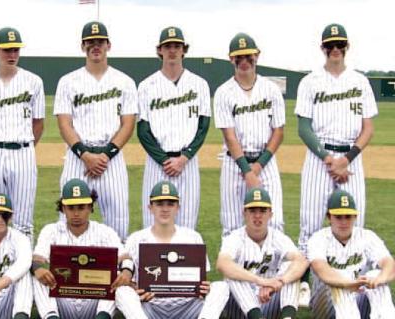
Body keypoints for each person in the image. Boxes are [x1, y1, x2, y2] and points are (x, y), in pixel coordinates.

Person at [295, 23, 377, 305]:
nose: (335, 50)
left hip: (351, 158)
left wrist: (347, 158)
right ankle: (302, 286)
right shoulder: (310, 81)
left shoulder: (360, 81)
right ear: (323, 49)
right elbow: (304, 128)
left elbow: (368, 128)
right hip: (321, 160)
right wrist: (330, 159)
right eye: (329, 45)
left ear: (346, 47)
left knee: (356, 222)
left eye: (339, 44)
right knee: (309, 224)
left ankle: (357, 282)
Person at [54, 21, 137, 241]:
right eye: (90, 42)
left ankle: (119, 272)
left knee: (118, 221)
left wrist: (105, 156)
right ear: (83, 46)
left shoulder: (125, 82)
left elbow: (128, 124)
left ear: (108, 45)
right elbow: (64, 124)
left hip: (112, 159)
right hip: (77, 158)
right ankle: (68, 271)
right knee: (66, 222)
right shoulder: (68, 81)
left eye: (100, 41)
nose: (95, 46)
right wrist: (86, 155)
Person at [0, 26, 45, 239]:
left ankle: (22, 270)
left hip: (22, 152)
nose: (12, 55)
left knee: (23, 219)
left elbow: (38, 123)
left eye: (15, 49)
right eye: (6, 50)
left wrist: (25, 146)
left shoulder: (34, 81)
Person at [115, 181, 228, 319]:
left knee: (221, 287)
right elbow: (124, 277)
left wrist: (204, 288)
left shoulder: (192, 237)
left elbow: (200, 279)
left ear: (177, 207)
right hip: (150, 306)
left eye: (170, 203)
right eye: (159, 204)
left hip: (188, 306)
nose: (165, 209)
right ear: (150, 207)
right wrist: (135, 289)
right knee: (122, 291)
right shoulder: (136, 238)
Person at [137, 27, 211, 230]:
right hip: (156, 164)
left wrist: (184, 158)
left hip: (187, 162)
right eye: (167, 46)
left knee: (187, 225)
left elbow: (203, 127)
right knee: (152, 224)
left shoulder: (199, 84)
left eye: (177, 46)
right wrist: (163, 160)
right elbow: (143, 130)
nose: (172, 50)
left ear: (184, 49)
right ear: (159, 50)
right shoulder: (146, 86)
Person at [214, 33, 285, 236]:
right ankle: (235, 268)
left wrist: (258, 166)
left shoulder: (271, 89)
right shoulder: (223, 92)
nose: (244, 61)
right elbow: (229, 136)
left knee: (275, 222)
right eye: (239, 57)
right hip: (234, 163)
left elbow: (279, 132)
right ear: (231, 58)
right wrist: (247, 171)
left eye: (248, 56)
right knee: (232, 225)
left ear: (257, 55)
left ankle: (272, 268)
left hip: (266, 161)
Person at [31, 178, 132, 319]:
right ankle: (51, 316)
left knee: (116, 274)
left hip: (94, 299)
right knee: (38, 276)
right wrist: (38, 268)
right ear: (63, 208)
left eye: (81, 207)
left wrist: (127, 272)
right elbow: (37, 258)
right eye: (71, 208)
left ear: (90, 207)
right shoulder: (51, 230)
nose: (76, 213)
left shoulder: (104, 231)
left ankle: (102, 317)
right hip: (62, 299)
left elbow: (124, 257)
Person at [216, 188, 308, 319]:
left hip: (268, 300)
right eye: (252, 211)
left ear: (270, 214)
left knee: (290, 266)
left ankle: (288, 317)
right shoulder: (235, 238)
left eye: (263, 211)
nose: (257, 216)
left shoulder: (278, 237)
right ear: (244, 213)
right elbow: (222, 264)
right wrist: (262, 281)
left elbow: (301, 261)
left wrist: (279, 283)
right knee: (233, 272)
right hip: (238, 308)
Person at [307, 189, 395, 319]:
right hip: (325, 303)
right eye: (338, 217)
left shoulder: (367, 236)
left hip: (358, 299)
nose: (344, 222)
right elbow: (321, 269)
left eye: (348, 216)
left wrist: (379, 279)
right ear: (329, 217)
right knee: (340, 282)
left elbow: (389, 263)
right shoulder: (318, 238)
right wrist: (348, 283)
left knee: (375, 275)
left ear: (355, 217)